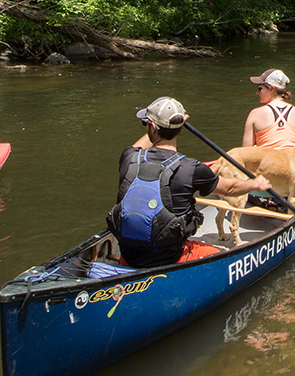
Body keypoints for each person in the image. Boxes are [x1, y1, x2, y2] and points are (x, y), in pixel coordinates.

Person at [110, 96, 271, 267]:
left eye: (147, 124)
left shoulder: (129, 158)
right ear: (179, 129)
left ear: (152, 128)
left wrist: (165, 125)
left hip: (128, 254)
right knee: (222, 255)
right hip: (170, 257)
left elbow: (140, 146)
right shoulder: (191, 168)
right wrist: (255, 184)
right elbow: (230, 189)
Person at [242, 68, 295, 148]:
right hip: (289, 160)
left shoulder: (255, 114)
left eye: (260, 89)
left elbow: (245, 153)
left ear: (271, 89)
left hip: (266, 160)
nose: (257, 93)